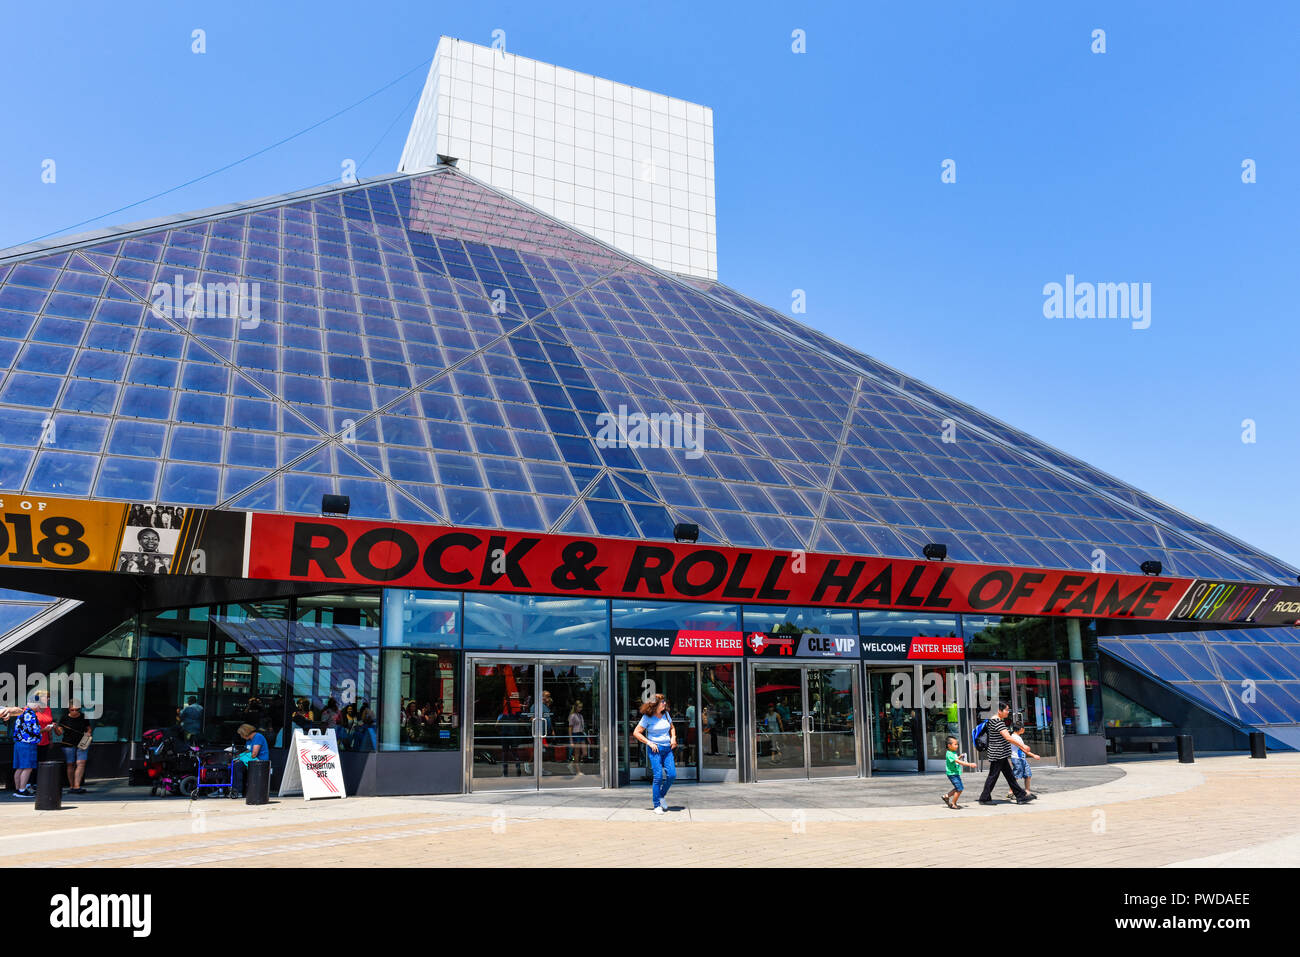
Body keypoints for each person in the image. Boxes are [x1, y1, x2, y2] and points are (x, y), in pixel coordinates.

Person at [977, 702, 1035, 805]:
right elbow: (1008, 737)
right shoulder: (997, 722)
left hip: (1000, 753)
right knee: (993, 776)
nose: (1008, 712)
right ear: (999, 711)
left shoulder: (992, 721)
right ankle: (984, 798)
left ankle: (1020, 795)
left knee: (1010, 776)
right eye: (1006, 710)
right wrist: (1023, 746)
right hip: (998, 753)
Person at [632, 693, 676, 814]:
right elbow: (636, 732)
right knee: (658, 777)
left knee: (672, 775)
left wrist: (673, 738)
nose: (664, 703)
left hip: (667, 749)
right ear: (655, 704)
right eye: (662, 702)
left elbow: (672, 728)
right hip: (655, 750)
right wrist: (649, 743)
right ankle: (657, 805)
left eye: (664, 701)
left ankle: (661, 795)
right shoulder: (647, 717)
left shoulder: (666, 714)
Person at [10, 693, 46, 797]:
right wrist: (46, 729)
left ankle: (17, 790)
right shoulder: (31, 714)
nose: (40, 707)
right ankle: (22, 790)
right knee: (27, 768)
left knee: (20, 768)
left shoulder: (22, 712)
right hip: (27, 744)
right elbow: (35, 730)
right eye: (39, 704)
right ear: (35, 705)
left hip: (19, 744)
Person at [57, 700, 93, 794]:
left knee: (81, 762)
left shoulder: (83, 717)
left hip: (82, 742)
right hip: (68, 743)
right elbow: (59, 733)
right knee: (70, 764)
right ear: (69, 709)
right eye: (72, 709)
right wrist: (55, 728)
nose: (74, 712)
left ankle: (77, 785)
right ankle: (72, 785)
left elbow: (88, 728)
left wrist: (88, 735)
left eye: (76, 710)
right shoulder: (64, 718)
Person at [230, 724, 270, 798]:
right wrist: (238, 756)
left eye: (241, 735)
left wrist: (241, 758)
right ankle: (224, 789)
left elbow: (254, 754)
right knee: (233, 765)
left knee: (238, 766)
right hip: (251, 761)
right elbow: (247, 752)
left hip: (259, 762)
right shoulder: (248, 741)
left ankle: (238, 791)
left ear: (245, 733)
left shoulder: (258, 737)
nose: (241, 737)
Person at [1005, 721, 1041, 800]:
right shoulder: (1015, 737)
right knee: (1016, 775)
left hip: (1022, 758)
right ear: (1021, 729)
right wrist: (1033, 755)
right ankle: (1011, 792)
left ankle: (1027, 792)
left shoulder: (1017, 737)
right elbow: (1023, 749)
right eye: (1023, 728)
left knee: (1028, 774)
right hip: (1017, 759)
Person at [943, 734, 977, 809]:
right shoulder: (949, 754)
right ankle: (953, 803)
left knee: (957, 788)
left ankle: (946, 796)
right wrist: (969, 764)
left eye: (957, 744)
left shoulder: (953, 753)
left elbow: (954, 761)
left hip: (954, 773)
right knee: (959, 789)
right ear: (949, 745)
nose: (957, 746)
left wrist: (959, 757)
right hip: (952, 774)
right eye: (955, 744)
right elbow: (958, 762)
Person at [567, 700, 587, 771]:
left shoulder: (580, 715)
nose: (580, 709)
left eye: (581, 707)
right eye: (579, 707)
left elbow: (581, 726)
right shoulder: (572, 716)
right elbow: (570, 728)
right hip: (575, 734)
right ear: (575, 707)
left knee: (585, 753)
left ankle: (572, 764)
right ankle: (578, 771)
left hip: (581, 734)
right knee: (577, 754)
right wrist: (571, 740)